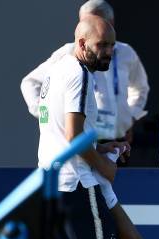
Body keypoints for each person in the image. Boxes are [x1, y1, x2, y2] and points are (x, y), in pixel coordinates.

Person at [36, 15, 126, 239]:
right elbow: (73, 136)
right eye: (102, 45)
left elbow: (60, 129)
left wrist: (102, 145)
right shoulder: (78, 73)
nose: (108, 52)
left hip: (50, 180)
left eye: (112, 46)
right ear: (82, 43)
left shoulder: (56, 69)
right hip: (76, 182)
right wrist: (104, 165)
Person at [21, 0, 149, 144]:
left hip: (118, 138)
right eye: (83, 22)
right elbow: (31, 82)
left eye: (94, 21)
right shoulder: (68, 53)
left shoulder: (126, 52)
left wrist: (129, 118)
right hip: (83, 140)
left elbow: (140, 88)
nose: (86, 27)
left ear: (110, 23)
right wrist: (50, 117)